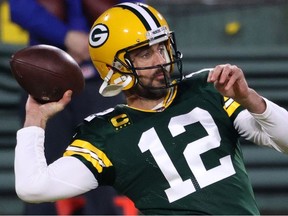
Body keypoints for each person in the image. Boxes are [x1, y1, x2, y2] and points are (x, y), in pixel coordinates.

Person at [14, 2, 288, 215]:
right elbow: (33, 188)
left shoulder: (208, 88)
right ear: (115, 68)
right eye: (145, 53)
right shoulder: (104, 134)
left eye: (162, 47)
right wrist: (34, 120)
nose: (161, 61)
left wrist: (250, 98)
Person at [9, 0, 141, 214]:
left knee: (107, 170)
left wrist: (96, 40)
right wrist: (65, 36)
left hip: (104, 75)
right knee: (39, 170)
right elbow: (19, 8)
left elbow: (135, 10)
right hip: (46, 77)